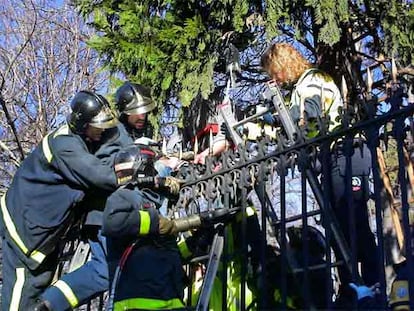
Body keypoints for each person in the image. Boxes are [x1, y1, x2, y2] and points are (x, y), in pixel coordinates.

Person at [261, 42, 380, 301]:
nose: (275, 79)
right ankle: (353, 291)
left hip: (347, 153)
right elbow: (293, 133)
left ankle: (375, 286)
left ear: (283, 64)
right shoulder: (296, 91)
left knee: (354, 221)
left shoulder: (313, 79)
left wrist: (281, 114)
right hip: (330, 161)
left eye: (274, 72)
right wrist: (263, 125)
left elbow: (309, 115)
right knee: (337, 228)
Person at [0, 90, 122, 310]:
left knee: (36, 289)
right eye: (97, 126)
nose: (102, 130)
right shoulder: (65, 145)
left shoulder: (77, 140)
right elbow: (101, 176)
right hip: (24, 232)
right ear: (82, 124)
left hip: (39, 234)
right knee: (22, 293)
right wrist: (140, 174)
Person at [101, 144, 186, 310]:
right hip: (140, 299)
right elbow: (113, 222)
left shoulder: (150, 202)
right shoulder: (124, 195)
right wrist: (154, 222)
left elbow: (164, 248)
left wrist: (196, 242)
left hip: (167, 297)